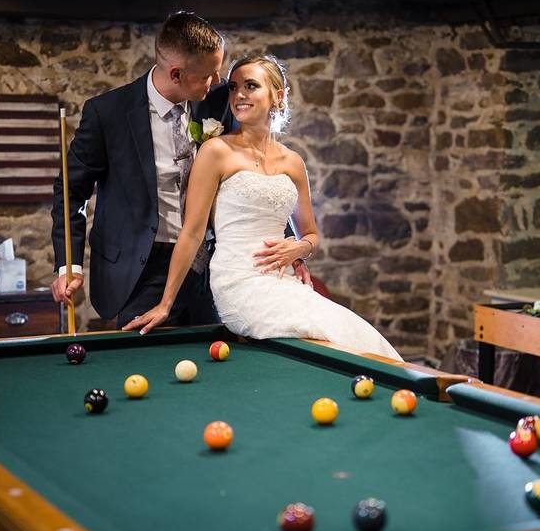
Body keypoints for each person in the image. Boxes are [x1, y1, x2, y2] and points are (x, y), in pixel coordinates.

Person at [125, 54, 401, 360]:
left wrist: (297, 250)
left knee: (354, 331)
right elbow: (192, 234)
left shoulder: (293, 162)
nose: (239, 94)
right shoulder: (216, 151)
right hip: (238, 282)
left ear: (277, 96)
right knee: (326, 329)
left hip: (285, 283)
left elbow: (310, 235)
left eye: (251, 86)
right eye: (233, 87)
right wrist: (166, 304)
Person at [50, 12, 309, 327]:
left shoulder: (216, 101)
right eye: (208, 76)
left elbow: (254, 173)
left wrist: (289, 246)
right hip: (140, 269)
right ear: (176, 74)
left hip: (211, 267)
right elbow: (70, 192)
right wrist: (69, 265)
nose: (219, 83)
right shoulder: (107, 114)